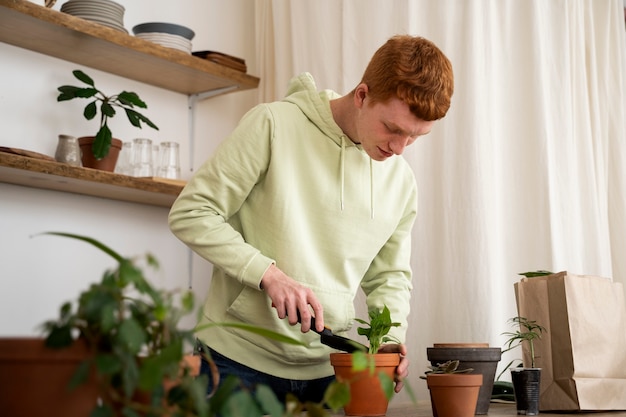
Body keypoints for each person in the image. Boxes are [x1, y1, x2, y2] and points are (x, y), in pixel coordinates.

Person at [168, 34, 454, 403]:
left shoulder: (401, 181)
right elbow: (192, 212)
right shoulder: (272, 124)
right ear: (362, 95)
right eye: (393, 128)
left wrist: (391, 341)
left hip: (329, 372)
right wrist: (269, 275)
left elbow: (389, 276)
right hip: (235, 362)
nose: (399, 148)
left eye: (415, 137)